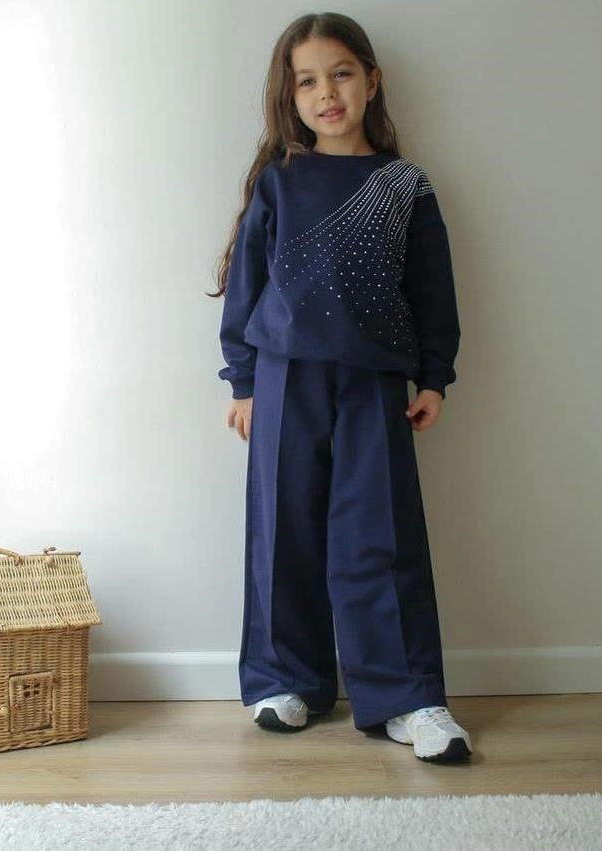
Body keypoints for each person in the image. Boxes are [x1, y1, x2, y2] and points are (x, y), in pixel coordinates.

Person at [209, 12, 472, 763]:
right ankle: (285, 679)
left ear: (371, 80)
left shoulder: (403, 185)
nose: (326, 93)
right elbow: (246, 287)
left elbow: (433, 290)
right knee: (283, 530)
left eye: (341, 74)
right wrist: (243, 380)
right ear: (289, 97)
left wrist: (434, 376)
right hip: (283, 378)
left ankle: (407, 696)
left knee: (378, 538)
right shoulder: (280, 183)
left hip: (375, 382)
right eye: (307, 81)